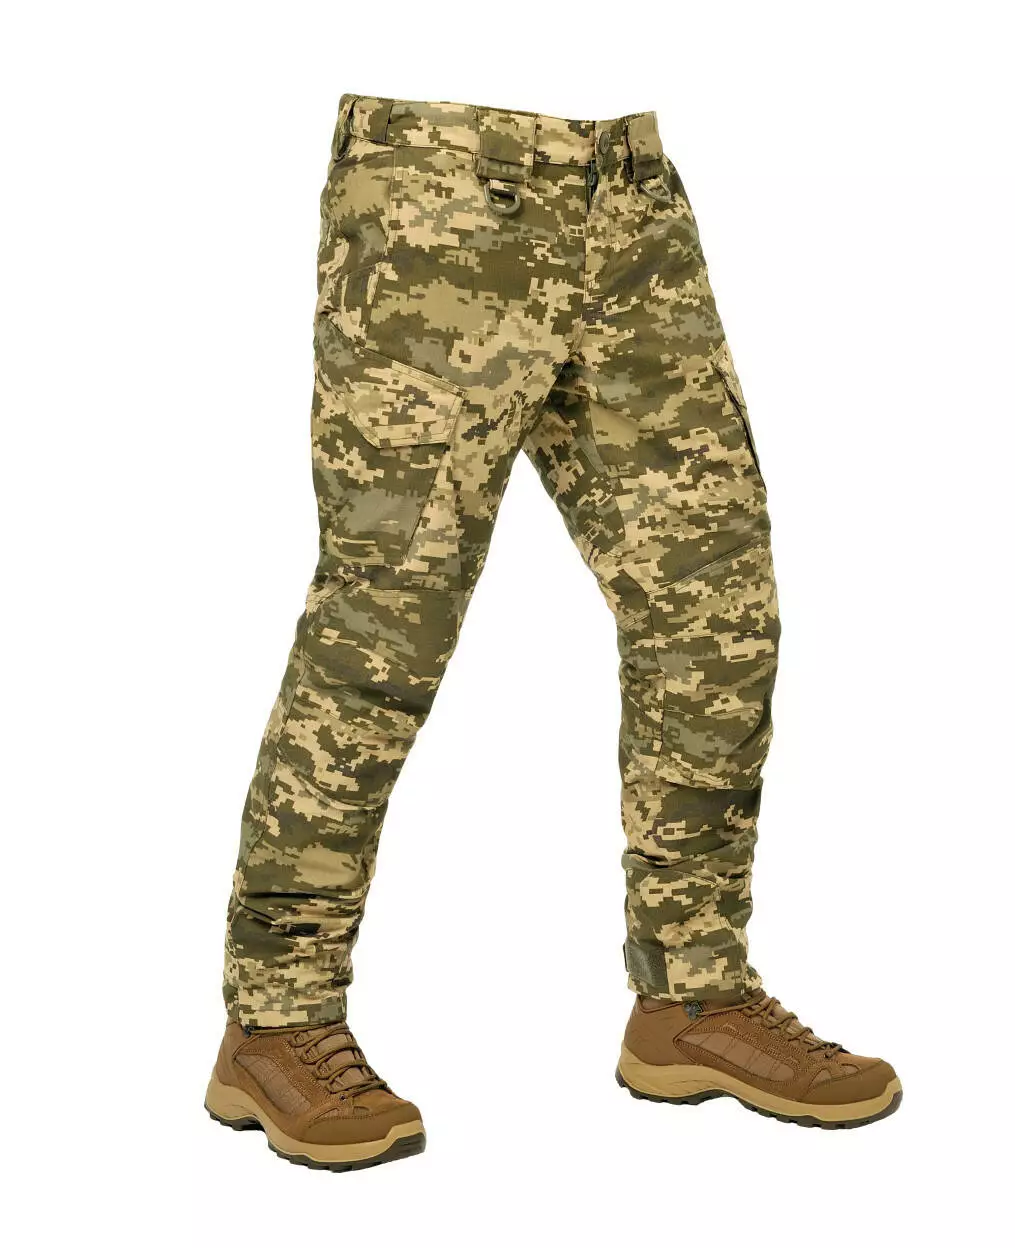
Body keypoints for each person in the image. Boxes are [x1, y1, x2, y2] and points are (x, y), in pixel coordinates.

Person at [204, 95, 901, 1171]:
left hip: (627, 196)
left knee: (715, 612)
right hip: (435, 191)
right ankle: (276, 1020)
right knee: (385, 625)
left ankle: (692, 998)